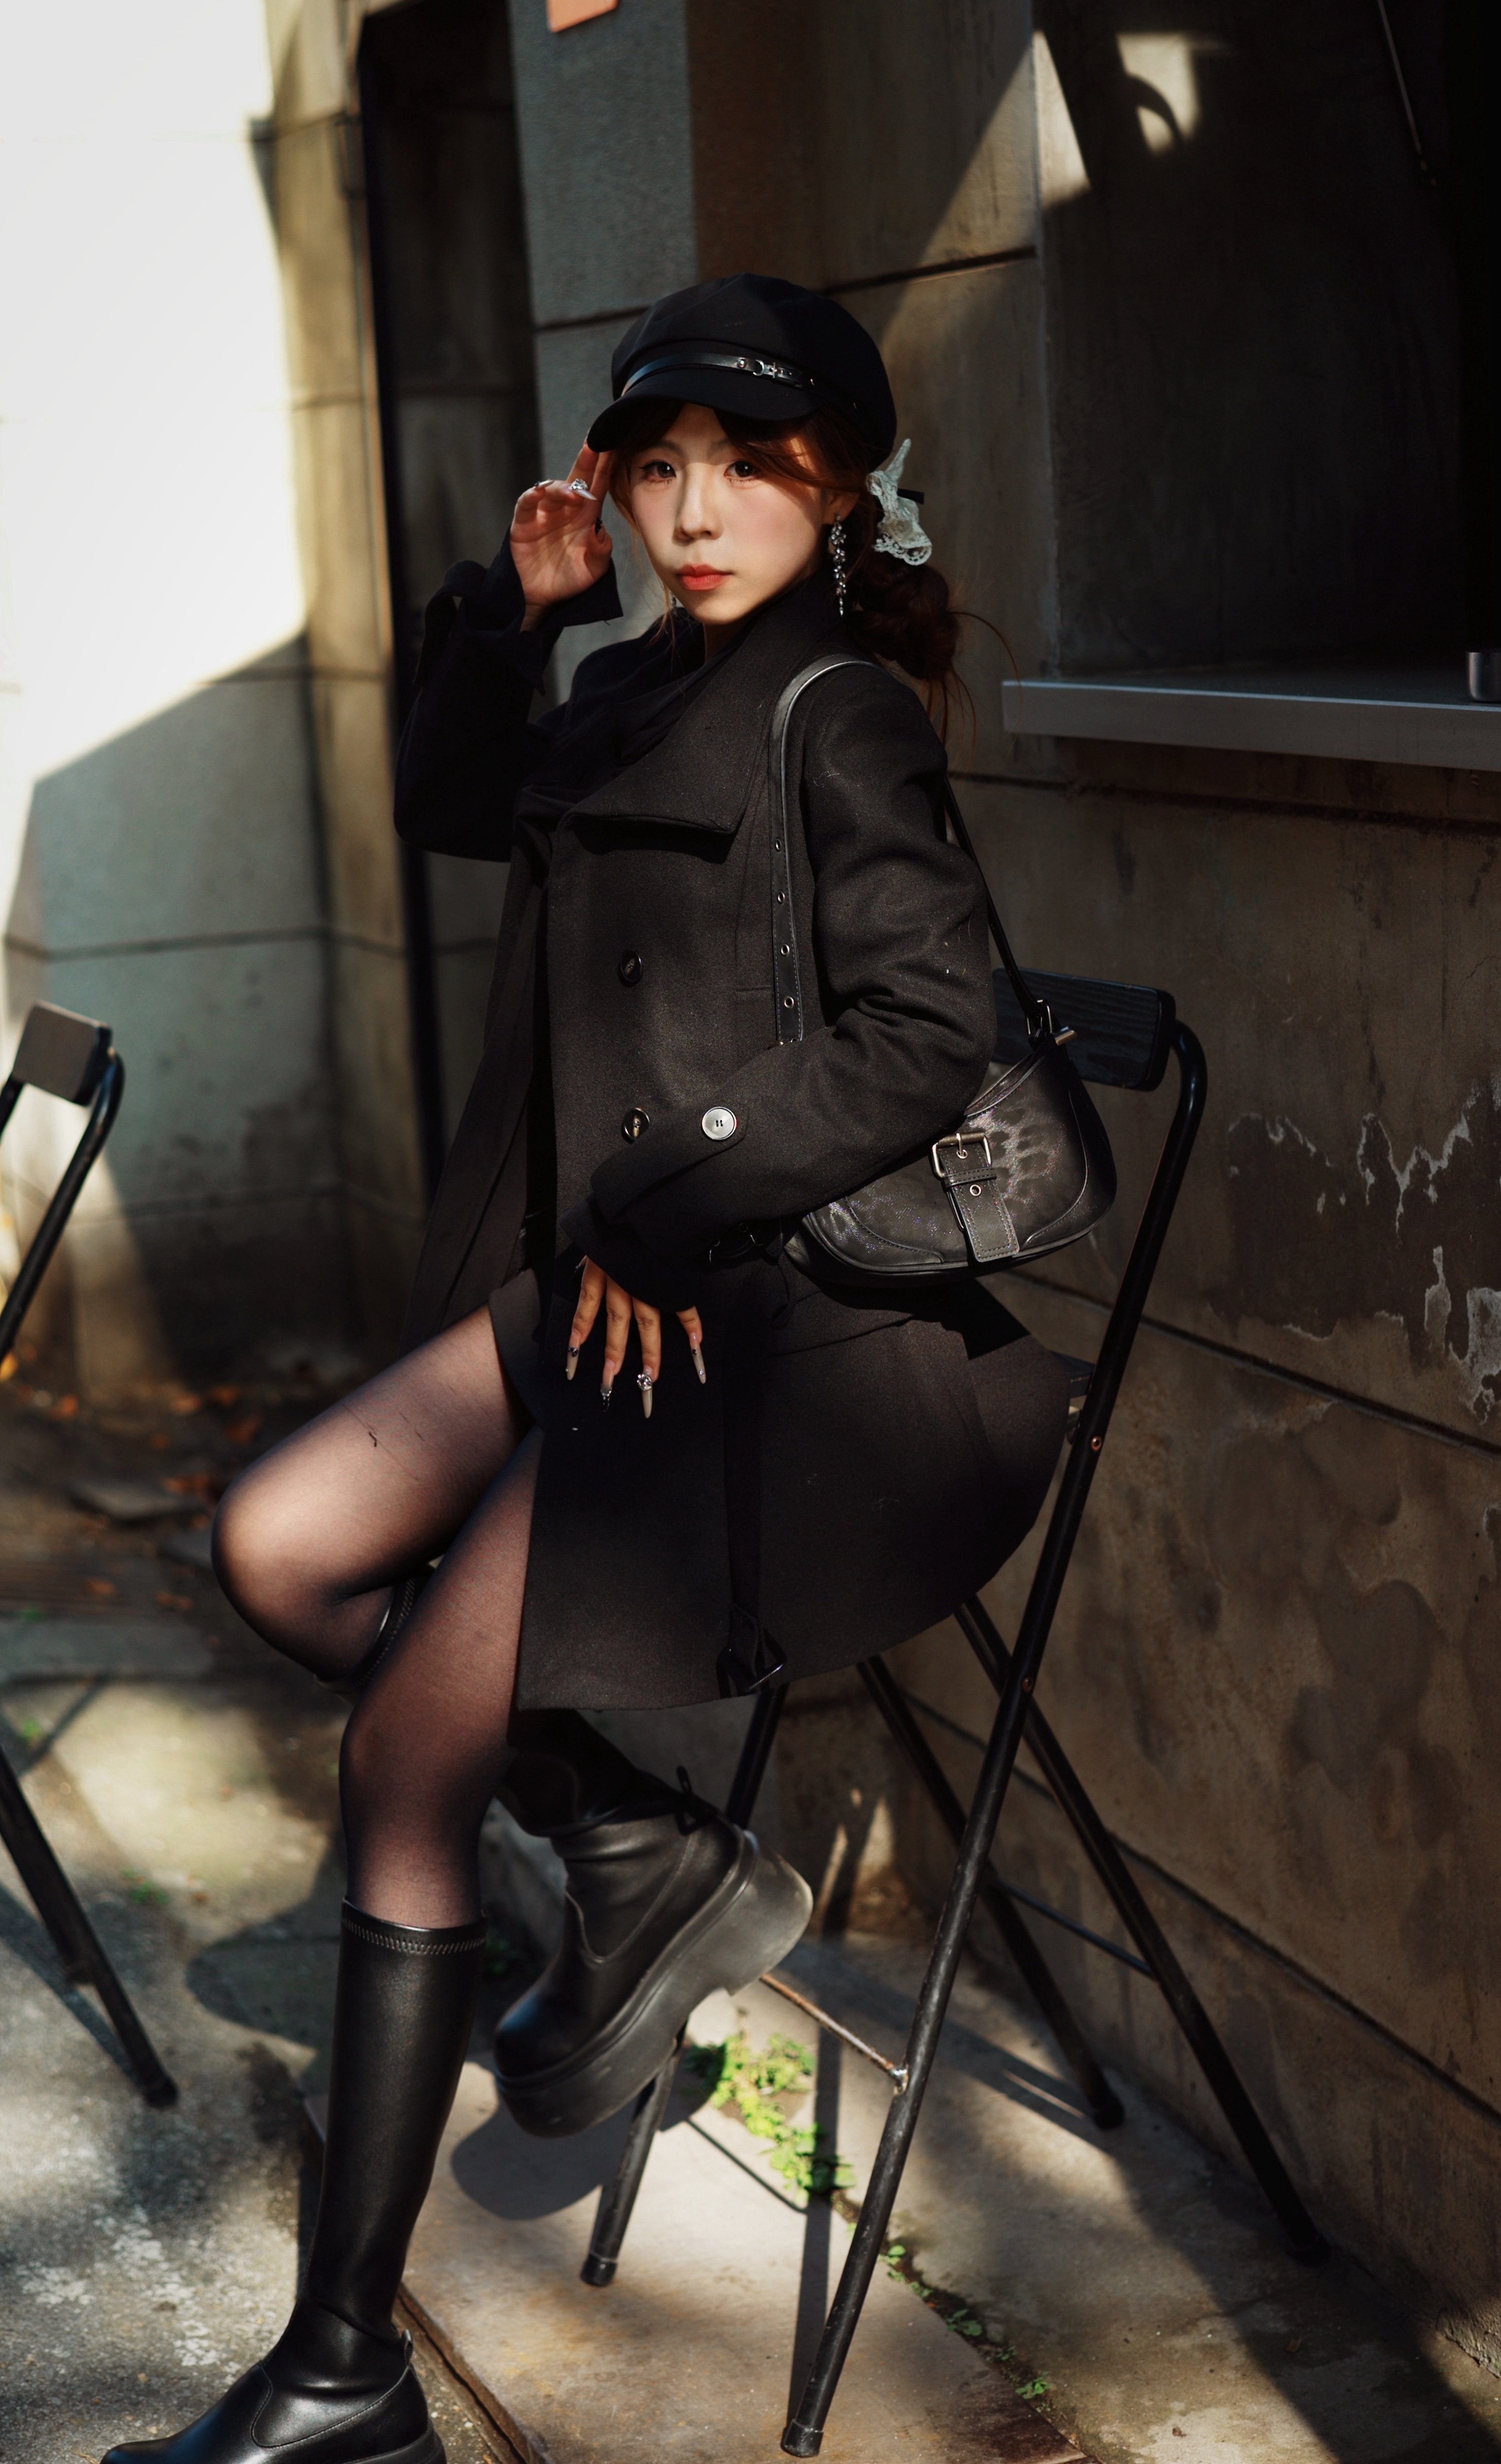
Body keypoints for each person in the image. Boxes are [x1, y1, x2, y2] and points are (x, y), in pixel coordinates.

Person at [104, 273, 1067, 2464]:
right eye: (657, 469)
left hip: (773, 1333)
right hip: (601, 1298)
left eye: (747, 468)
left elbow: (931, 1029)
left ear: (841, 491)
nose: (693, 511)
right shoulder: (635, 681)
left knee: (403, 1758)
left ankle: (343, 2372)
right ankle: (632, 1847)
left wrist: (677, 1184)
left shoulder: (838, 708)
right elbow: (458, 800)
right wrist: (507, 616)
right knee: (276, 1547)